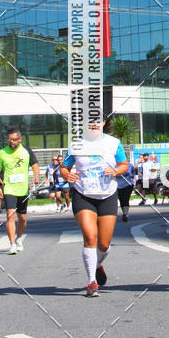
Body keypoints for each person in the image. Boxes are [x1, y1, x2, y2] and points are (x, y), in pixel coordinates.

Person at [60, 117, 128, 296]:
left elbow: (124, 165)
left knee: (104, 244)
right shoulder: (76, 144)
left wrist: (116, 171)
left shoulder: (114, 143)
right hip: (83, 195)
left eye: (98, 120)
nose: (94, 124)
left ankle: (98, 264)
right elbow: (64, 167)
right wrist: (67, 175)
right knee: (90, 237)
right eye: (90, 120)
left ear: (104, 122)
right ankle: (91, 281)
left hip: (107, 195)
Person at [0, 127, 40, 254]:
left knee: (23, 218)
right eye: (9, 140)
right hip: (9, 188)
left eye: (14, 140)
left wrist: (36, 176)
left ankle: (19, 238)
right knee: (10, 215)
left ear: (19, 139)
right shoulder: (2, 153)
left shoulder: (26, 151)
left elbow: (35, 165)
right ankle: (12, 244)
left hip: (23, 189)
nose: (12, 142)